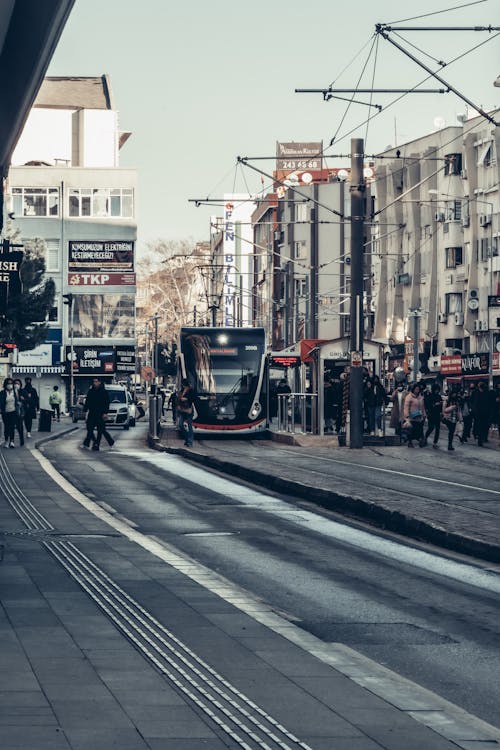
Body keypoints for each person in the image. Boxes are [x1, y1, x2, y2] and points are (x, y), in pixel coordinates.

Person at [82, 377, 114, 451]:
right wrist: (85, 410)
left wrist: (105, 413)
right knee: (89, 429)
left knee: (101, 430)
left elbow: (107, 403)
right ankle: (93, 442)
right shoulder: (91, 391)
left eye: (96, 381)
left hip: (100, 413)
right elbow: (87, 401)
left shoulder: (103, 392)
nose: (95, 383)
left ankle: (96, 444)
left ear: (99, 382)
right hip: (92, 413)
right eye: (94, 381)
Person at [0, 378, 22, 448]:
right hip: (5, 412)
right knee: (7, 427)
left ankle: (12, 441)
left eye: (11, 383)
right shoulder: (2, 393)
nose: (10, 385)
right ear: (6, 384)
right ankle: (6, 440)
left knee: (12, 426)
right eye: (8, 383)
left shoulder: (15, 392)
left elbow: (18, 401)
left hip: (13, 412)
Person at [403, 382, 426, 448]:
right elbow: (406, 407)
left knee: (420, 430)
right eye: (416, 389)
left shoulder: (420, 397)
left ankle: (420, 441)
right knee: (411, 430)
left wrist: (424, 415)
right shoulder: (409, 397)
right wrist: (406, 416)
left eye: (418, 389)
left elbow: (423, 407)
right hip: (412, 417)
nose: (417, 391)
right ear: (413, 389)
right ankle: (410, 442)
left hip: (419, 417)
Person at [423, 382, 443, 448]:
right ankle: (425, 437)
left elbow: (441, 405)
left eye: (438, 390)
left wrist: (440, 408)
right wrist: (434, 404)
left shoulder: (439, 396)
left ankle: (435, 442)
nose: (437, 391)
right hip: (431, 414)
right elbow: (427, 405)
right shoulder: (430, 396)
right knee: (431, 427)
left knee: (437, 429)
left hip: (437, 414)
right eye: (436, 389)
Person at [177, 378, 194, 447]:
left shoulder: (191, 390)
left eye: (183, 384)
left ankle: (190, 442)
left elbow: (193, 398)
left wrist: (186, 398)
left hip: (188, 409)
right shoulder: (182, 390)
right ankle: (187, 439)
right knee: (181, 425)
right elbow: (179, 399)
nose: (182, 386)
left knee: (190, 426)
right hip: (182, 410)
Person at [475, 380, 491, 447]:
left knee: (480, 426)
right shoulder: (486, 393)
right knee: (482, 426)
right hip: (483, 413)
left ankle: (480, 438)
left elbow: (476, 403)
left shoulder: (478, 393)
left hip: (481, 413)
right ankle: (481, 439)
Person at [13, 379, 25, 446]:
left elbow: (28, 400)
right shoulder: (12, 392)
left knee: (20, 427)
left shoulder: (23, 391)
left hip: (20, 412)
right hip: (12, 411)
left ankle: (21, 440)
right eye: (15, 383)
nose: (16, 385)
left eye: (18, 384)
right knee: (11, 427)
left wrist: (23, 400)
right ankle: (12, 441)